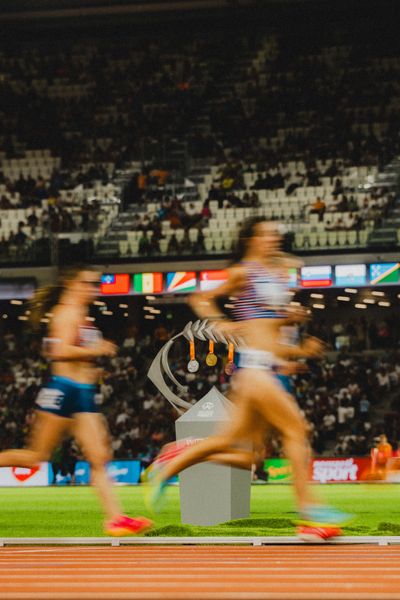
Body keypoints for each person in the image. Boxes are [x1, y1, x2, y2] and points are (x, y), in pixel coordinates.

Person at [145, 218, 350, 541]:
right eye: (268, 234)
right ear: (252, 239)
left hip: (265, 368)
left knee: (244, 455)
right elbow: (199, 298)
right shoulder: (243, 271)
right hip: (253, 368)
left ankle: (174, 460)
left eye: (276, 234)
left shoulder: (270, 274)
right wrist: (220, 323)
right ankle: (309, 511)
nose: (274, 239)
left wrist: (297, 347)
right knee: (296, 430)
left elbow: (267, 326)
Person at [0, 265, 152, 536]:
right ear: (73, 284)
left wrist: (93, 363)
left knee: (99, 457)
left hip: (81, 394)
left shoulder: (82, 314)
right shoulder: (65, 312)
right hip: (63, 391)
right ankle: (115, 518)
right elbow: (57, 351)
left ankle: (115, 519)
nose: (94, 290)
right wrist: (95, 349)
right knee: (35, 458)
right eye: (89, 284)